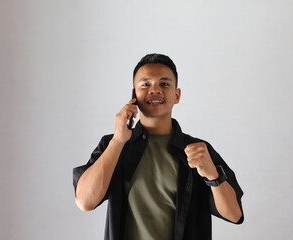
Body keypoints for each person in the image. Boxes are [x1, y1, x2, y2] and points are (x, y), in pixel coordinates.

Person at [73, 53, 244, 240]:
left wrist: (213, 175)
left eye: (164, 84)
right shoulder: (113, 145)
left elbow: (234, 215)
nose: (155, 90)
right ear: (134, 95)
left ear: (177, 95)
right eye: (145, 84)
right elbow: (84, 202)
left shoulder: (198, 151)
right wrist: (118, 141)